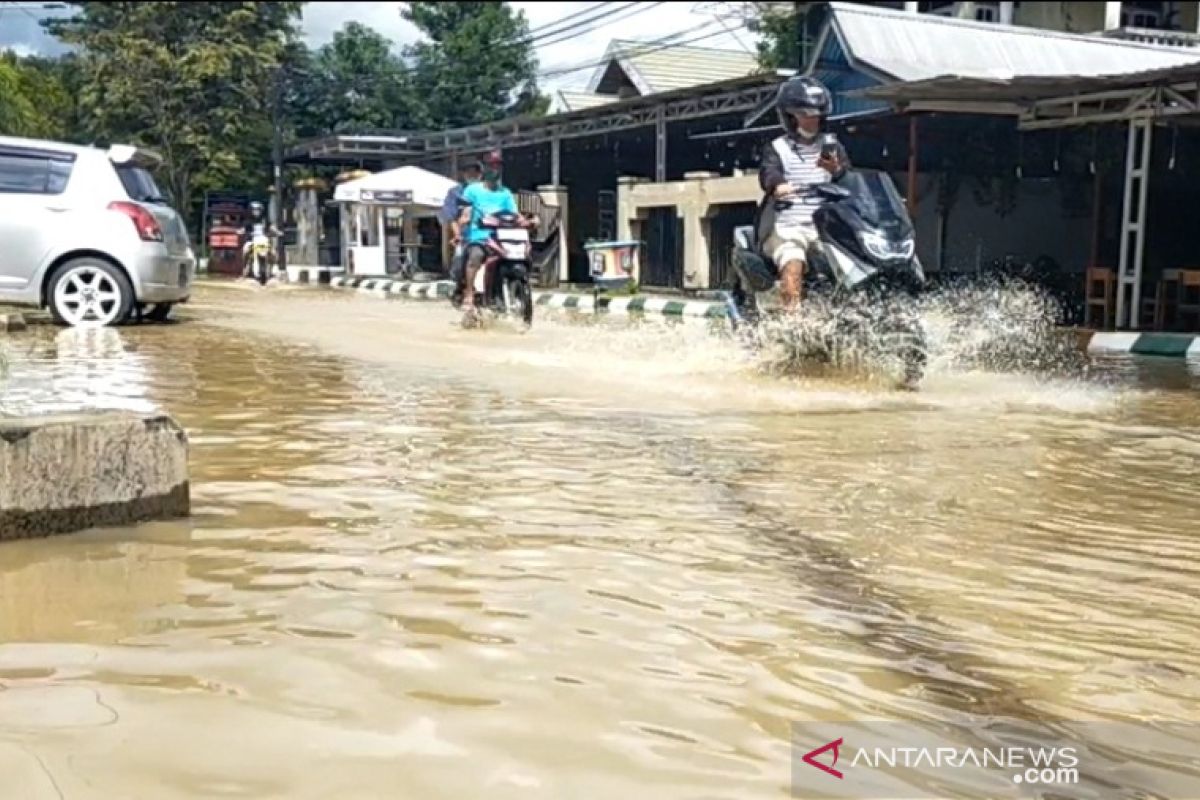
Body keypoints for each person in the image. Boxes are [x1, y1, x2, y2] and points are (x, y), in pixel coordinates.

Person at [757, 76, 852, 310]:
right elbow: (769, 172)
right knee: (793, 262)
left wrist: (837, 170)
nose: (813, 119)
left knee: (852, 265)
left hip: (826, 227)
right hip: (788, 225)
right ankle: (793, 322)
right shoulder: (777, 148)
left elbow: (850, 178)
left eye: (817, 114)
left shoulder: (832, 145)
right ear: (790, 116)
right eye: (806, 114)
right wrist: (778, 185)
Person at [456, 150, 521, 315]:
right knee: (475, 256)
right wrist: (464, 220)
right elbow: (466, 211)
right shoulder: (472, 190)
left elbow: (515, 215)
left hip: (501, 239)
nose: (495, 169)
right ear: (484, 168)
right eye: (491, 165)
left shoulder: (505, 193)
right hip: (479, 237)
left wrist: (529, 221)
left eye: (498, 165)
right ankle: (469, 293)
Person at [441, 162, 482, 301]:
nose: (472, 175)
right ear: (463, 175)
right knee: (460, 260)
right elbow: (452, 217)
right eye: (469, 172)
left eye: (475, 172)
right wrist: (457, 234)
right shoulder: (456, 193)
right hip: (466, 236)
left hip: (489, 235)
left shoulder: (489, 192)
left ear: (480, 174)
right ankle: (463, 289)